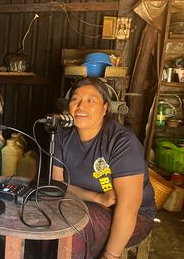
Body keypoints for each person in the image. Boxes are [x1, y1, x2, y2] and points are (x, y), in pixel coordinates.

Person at [52, 77, 155, 259]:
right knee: (46, 211)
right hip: (85, 204)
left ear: (105, 108)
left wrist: (110, 256)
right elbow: (57, 184)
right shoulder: (61, 136)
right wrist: (97, 197)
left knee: (75, 226)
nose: (81, 106)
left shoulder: (121, 142)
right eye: (75, 99)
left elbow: (128, 207)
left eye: (91, 100)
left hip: (133, 215)